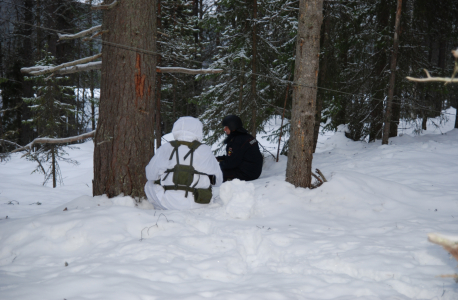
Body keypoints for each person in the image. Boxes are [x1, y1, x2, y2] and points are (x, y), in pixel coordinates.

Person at [145, 117, 223, 210]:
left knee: (149, 184)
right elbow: (218, 179)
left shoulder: (166, 147)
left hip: (169, 202)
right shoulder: (204, 150)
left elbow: (150, 175)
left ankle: (158, 208)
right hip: (200, 201)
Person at [217, 115, 263, 182]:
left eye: (226, 127)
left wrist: (217, 165)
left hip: (247, 173)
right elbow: (235, 157)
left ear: (232, 126)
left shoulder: (238, 141)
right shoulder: (245, 137)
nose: (224, 129)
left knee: (216, 172)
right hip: (252, 170)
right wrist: (220, 159)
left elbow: (231, 163)